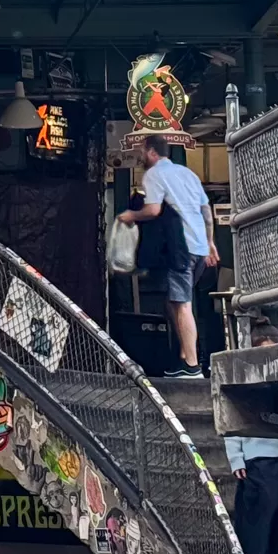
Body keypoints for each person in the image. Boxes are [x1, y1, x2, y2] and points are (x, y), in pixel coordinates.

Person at [117, 133, 219, 378]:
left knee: (182, 305)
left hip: (180, 247)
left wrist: (131, 216)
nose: (141, 156)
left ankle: (192, 366)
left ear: (152, 152)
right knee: (173, 302)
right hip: (198, 248)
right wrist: (210, 243)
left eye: (142, 151)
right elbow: (206, 212)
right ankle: (183, 358)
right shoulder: (188, 174)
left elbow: (153, 210)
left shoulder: (154, 174)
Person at [227, 321, 278, 554]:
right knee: (262, 512)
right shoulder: (245, 380)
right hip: (256, 459)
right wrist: (236, 458)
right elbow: (231, 422)